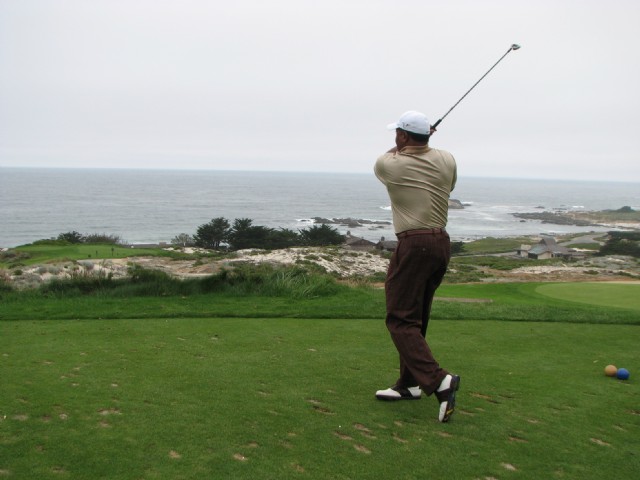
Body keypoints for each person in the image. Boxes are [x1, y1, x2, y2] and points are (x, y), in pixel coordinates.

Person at [373, 110, 460, 423]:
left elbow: (392, 154)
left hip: (414, 244)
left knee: (399, 319)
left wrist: (410, 142)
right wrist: (422, 141)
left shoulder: (388, 164)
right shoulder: (447, 159)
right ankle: (409, 384)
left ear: (402, 135)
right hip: (441, 244)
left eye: (397, 132)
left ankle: (439, 381)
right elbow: (448, 185)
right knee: (416, 317)